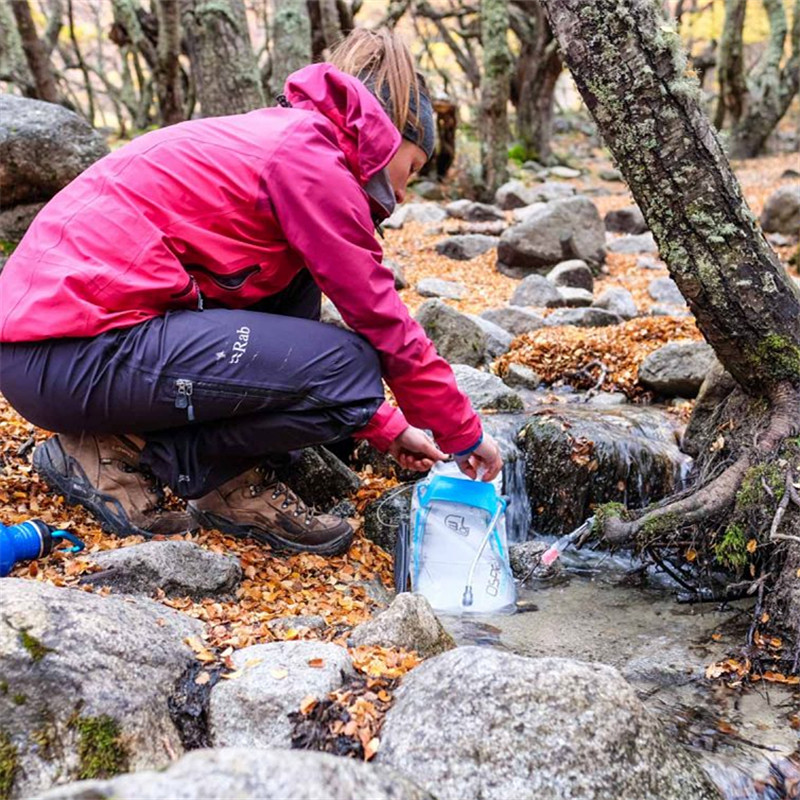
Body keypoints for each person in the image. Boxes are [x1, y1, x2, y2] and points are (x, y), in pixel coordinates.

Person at [0, 29, 503, 557]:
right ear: (384, 134)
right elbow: (383, 324)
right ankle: (128, 455)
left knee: (299, 294)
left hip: (59, 352)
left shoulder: (290, 141)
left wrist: (387, 426)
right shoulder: (310, 164)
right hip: (66, 353)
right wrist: (463, 435)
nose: (403, 193)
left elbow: (273, 334)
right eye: (413, 168)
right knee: (352, 367)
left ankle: (221, 477)